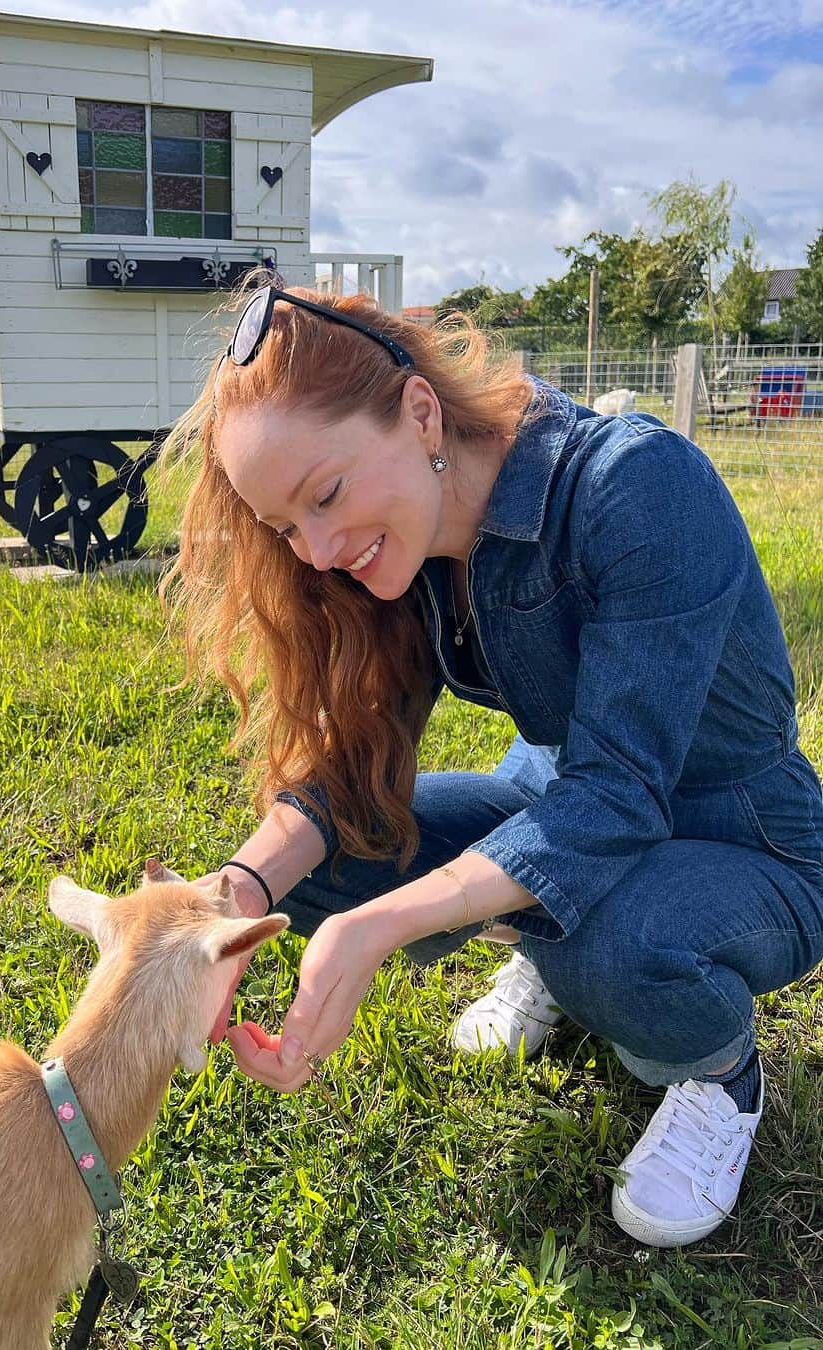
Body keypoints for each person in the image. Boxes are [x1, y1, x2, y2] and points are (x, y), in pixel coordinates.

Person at [161, 279, 823, 1249]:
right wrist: (232, 890)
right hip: (558, 793)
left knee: (602, 941)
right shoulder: (414, 542)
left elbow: (617, 795)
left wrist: (380, 928)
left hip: (745, 840)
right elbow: (355, 767)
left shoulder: (638, 485)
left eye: (328, 495)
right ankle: (552, 953)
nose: (319, 551)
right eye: (287, 528)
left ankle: (719, 1075)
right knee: (339, 864)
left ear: (419, 412)